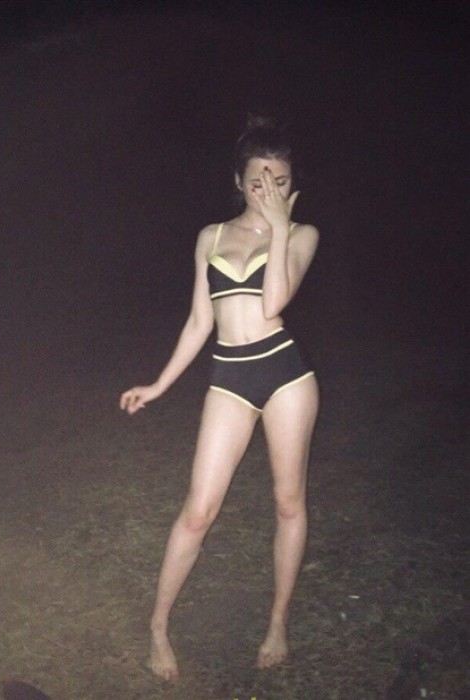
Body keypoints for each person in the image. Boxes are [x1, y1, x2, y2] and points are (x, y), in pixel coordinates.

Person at [120, 116, 319, 681]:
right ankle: (158, 626)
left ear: (292, 184)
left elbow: (274, 303)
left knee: (288, 503)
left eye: (280, 181)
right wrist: (158, 385)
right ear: (238, 181)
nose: (268, 191)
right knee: (198, 510)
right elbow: (199, 322)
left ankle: (277, 622)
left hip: (286, 376)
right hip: (230, 376)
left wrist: (278, 229)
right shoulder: (209, 237)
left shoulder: (302, 235)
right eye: (258, 180)